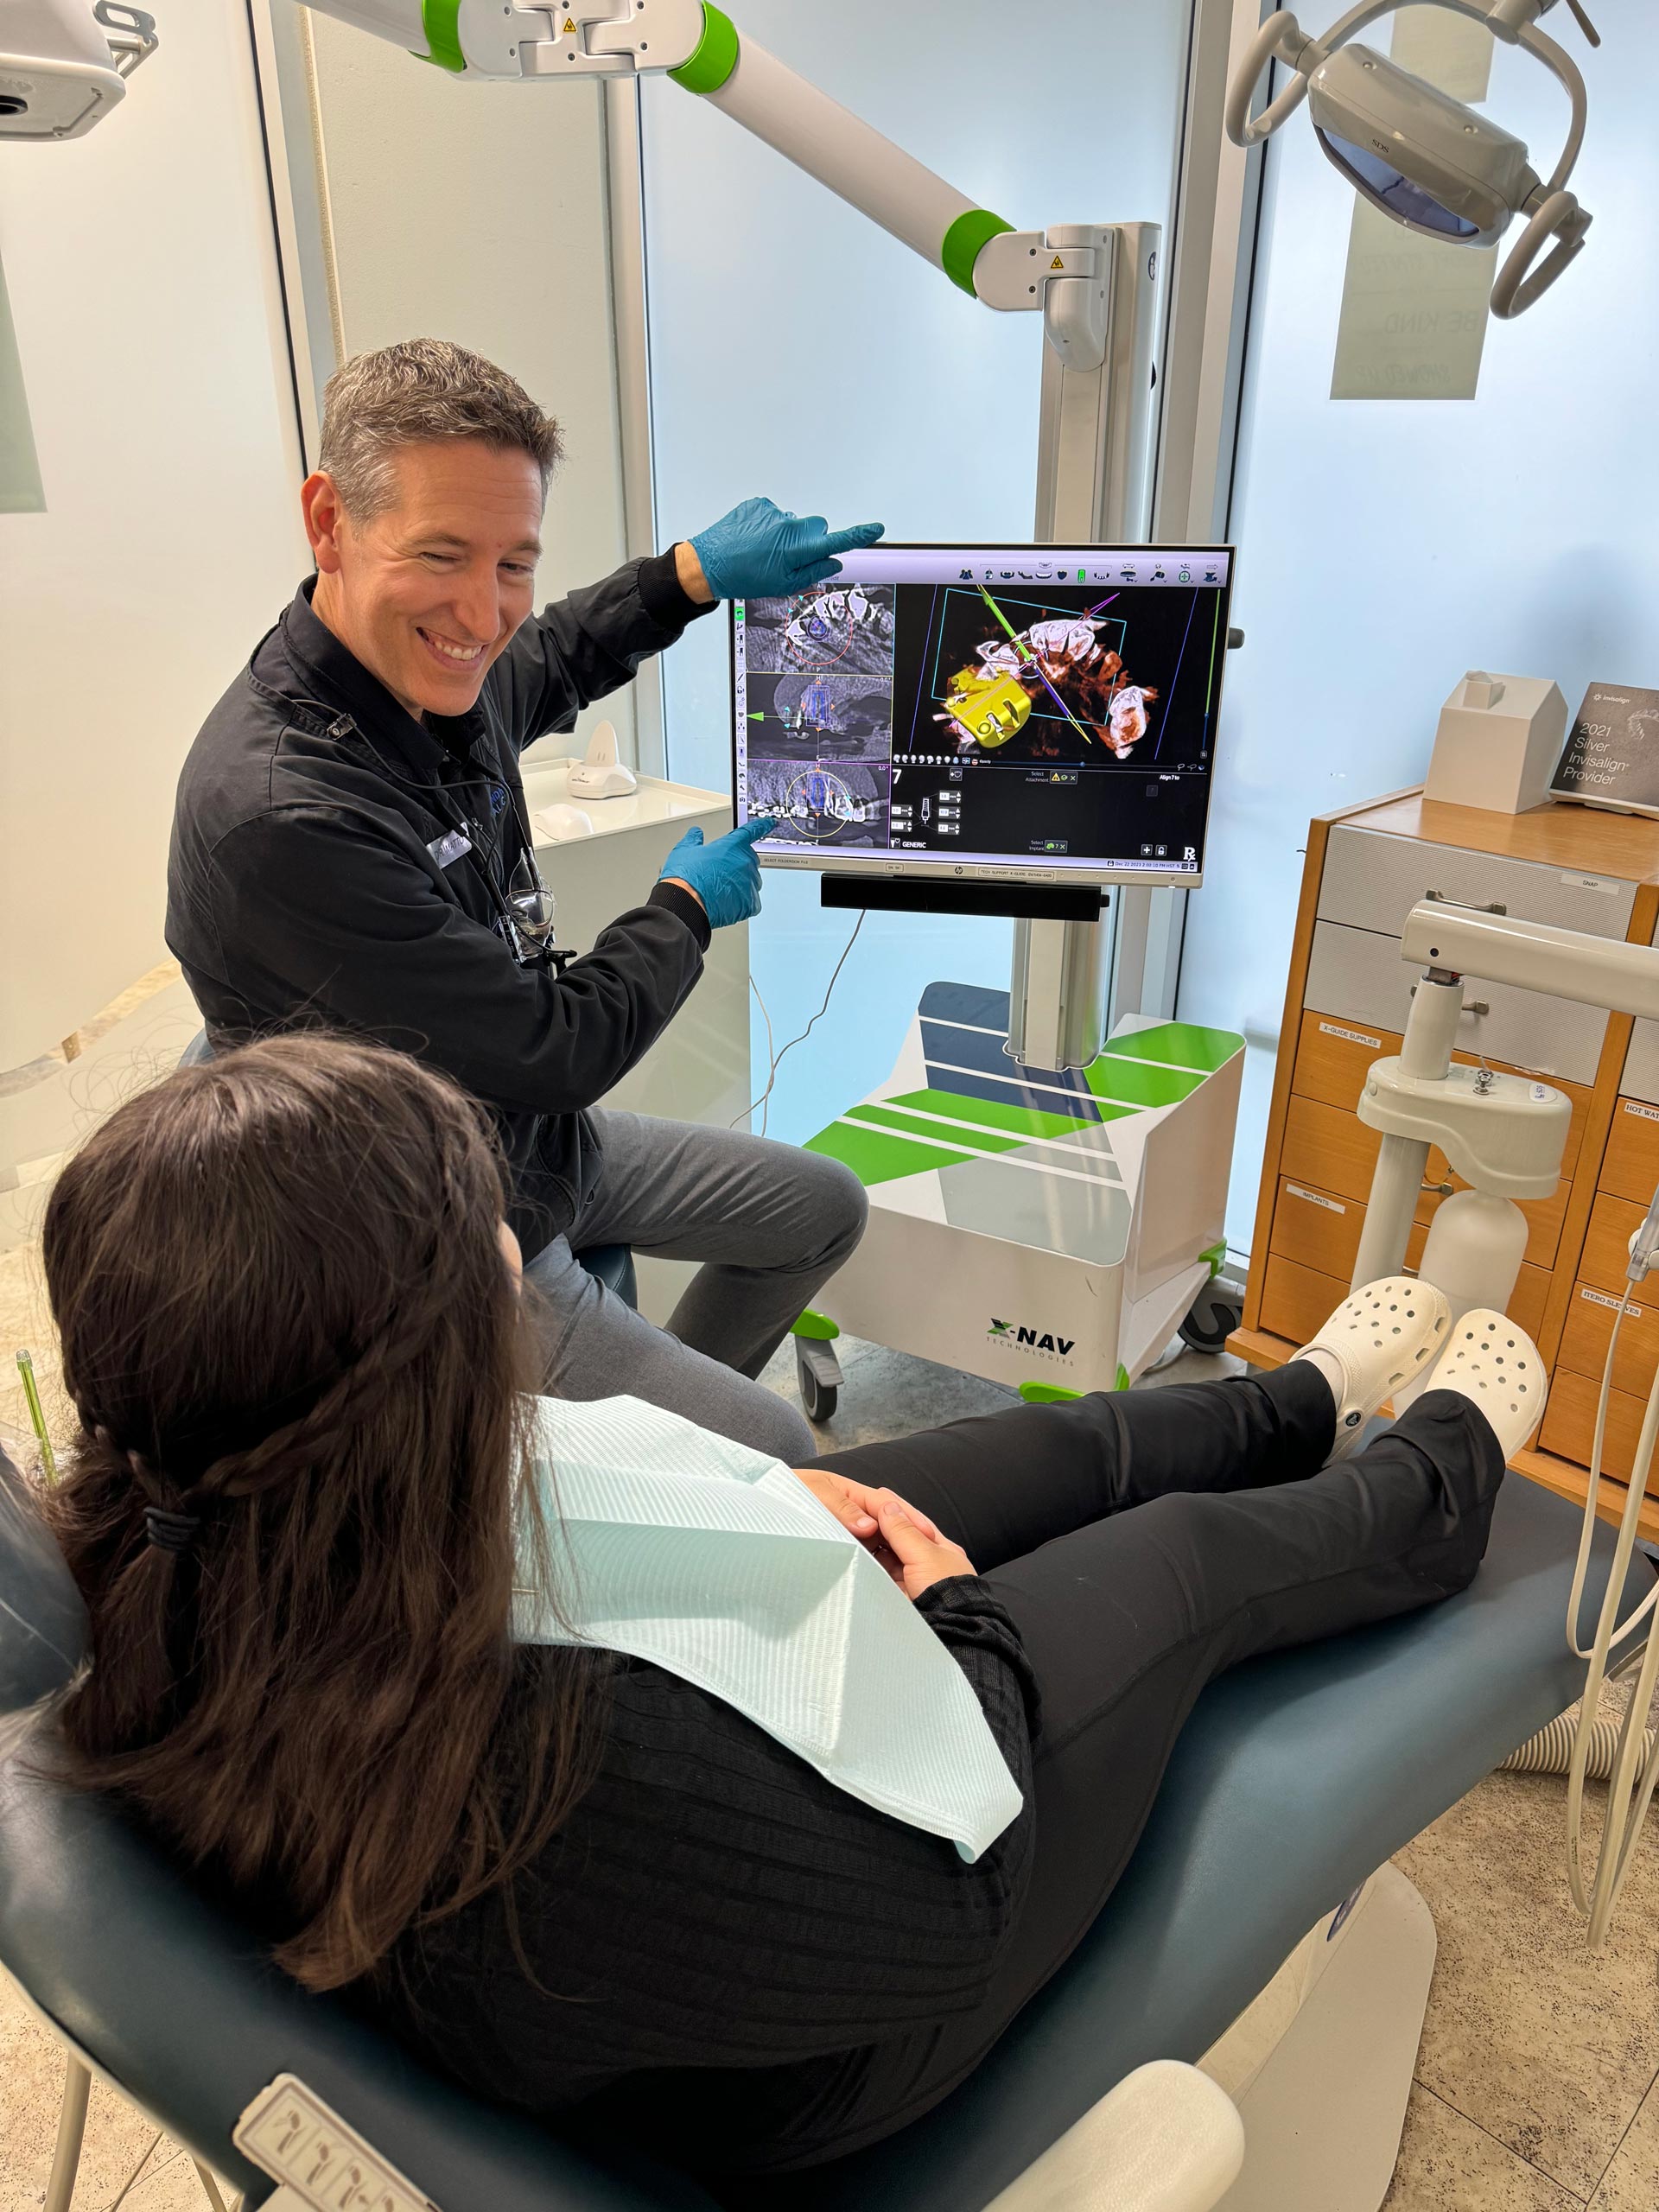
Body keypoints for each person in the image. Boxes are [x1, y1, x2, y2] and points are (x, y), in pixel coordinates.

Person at [39, 1037, 1535, 2181]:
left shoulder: (215, 1518)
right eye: (477, 1242)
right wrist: (965, 1622)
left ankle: (1296, 1399)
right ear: (412, 1391)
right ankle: (1440, 1484)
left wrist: (749, 1500)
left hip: (685, 1846)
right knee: (1182, 1562)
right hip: (849, 2011)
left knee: (1043, 1452)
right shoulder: (550, 1800)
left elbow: (554, 1481)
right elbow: (940, 1904)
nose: (509, 1247)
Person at [167, 338, 882, 1463]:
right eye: (442, 554)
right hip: (434, 1225)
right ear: (328, 522)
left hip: (527, 1142)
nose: (483, 610)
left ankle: (649, 1472)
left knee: (822, 1209)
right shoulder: (286, 818)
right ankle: (678, 1466)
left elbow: (547, 659)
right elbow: (555, 1050)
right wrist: (683, 909)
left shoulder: (415, 679)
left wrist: (686, 575)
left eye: (514, 562)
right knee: (785, 1451)